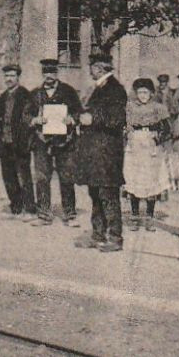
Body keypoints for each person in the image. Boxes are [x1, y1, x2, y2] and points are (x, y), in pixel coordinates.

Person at [73, 51, 128, 252]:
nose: (90, 70)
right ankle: (98, 234)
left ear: (99, 68)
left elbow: (116, 120)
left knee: (108, 194)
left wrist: (92, 119)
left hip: (107, 154)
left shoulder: (115, 89)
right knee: (95, 193)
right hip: (95, 153)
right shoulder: (98, 88)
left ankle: (115, 237)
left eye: (92, 67)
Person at [29, 58, 82, 226]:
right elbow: (25, 115)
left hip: (64, 141)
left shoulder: (68, 91)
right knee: (42, 178)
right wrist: (35, 119)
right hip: (41, 141)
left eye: (52, 72)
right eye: (46, 72)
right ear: (42, 74)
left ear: (57, 73)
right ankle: (43, 214)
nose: (49, 76)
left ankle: (70, 214)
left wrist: (71, 119)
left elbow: (79, 112)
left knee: (66, 177)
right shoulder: (35, 94)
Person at [0, 64, 39, 217]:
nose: (9, 79)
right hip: (4, 142)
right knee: (8, 176)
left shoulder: (26, 95)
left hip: (20, 142)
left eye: (12, 76)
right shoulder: (2, 97)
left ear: (18, 77)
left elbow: (30, 117)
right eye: (6, 76)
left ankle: (30, 208)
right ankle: (16, 206)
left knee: (24, 176)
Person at [122, 77, 171, 226]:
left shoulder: (158, 107)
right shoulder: (129, 107)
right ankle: (135, 215)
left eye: (146, 92)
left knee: (151, 179)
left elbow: (168, 129)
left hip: (151, 147)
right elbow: (123, 125)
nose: (143, 95)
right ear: (136, 93)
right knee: (133, 179)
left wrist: (158, 138)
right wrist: (126, 134)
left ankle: (150, 216)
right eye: (140, 92)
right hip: (134, 146)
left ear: (151, 93)